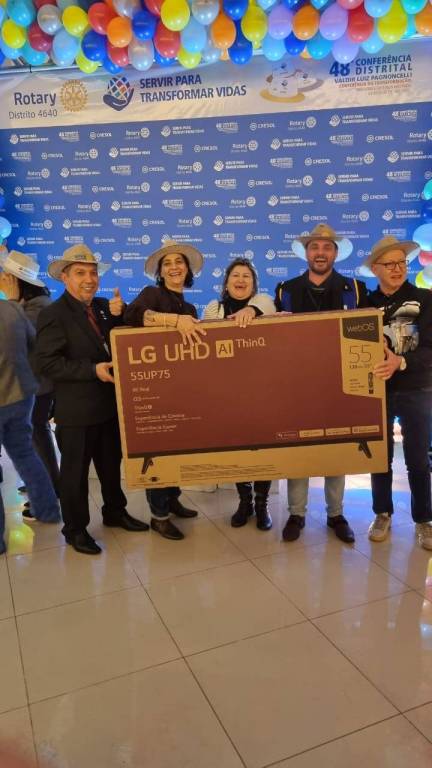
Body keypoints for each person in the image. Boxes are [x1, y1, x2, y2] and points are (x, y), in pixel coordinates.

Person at [34, 244, 148, 556]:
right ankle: (75, 529)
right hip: (76, 413)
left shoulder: (101, 306)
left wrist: (120, 316)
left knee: (111, 467)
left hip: (109, 408)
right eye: (80, 273)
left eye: (93, 273)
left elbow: (112, 344)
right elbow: (46, 363)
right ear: (65, 277)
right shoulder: (53, 314)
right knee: (75, 476)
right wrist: (91, 370)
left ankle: (115, 512)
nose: (89, 279)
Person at [275, 223, 368, 544]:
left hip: (340, 383)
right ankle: (296, 513)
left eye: (327, 247)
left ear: (335, 253)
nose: (320, 252)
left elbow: (367, 333)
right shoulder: (284, 290)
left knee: (336, 448)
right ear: (306, 252)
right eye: (314, 247)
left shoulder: (355, 289)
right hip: (296, 384)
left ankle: (336, 514)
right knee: (297, 447)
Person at [124, 241, 204, 540]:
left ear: (187, 269)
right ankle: (159, 516)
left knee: (177, 451)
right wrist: (173, 321)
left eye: (178, 262)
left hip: (179, 390)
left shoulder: (191, 307)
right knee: (157, 454)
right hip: (153, 390)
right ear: (160, 271)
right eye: (167, 263)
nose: (174, 267)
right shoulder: (152, 294)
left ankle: (172, 499)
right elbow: (132, 315)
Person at [365, 236, 432, 550]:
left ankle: (424, 519)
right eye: (389, 263)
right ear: (375, 269)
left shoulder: (425, 299)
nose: (397, 268)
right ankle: (382, 513)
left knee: (418, 459)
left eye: (401, 263)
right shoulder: (365, 304)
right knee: (380, 459)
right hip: (376, 391)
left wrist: (400, 361)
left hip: (417, 389)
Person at [203, 258, 276, 530]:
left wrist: (251, 310)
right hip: (228, 393)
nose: (241, 280)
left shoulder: (264, 303)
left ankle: (262, 504)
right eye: (235, 275)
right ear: (226, 282)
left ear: (254, 284)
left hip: (262, 392)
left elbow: (268, 304)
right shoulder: (214, 308)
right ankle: (245, 502)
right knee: (238, 449)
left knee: (263, 450)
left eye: (247, 276)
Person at [0, 250, 60, 520]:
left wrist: (12, 303)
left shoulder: (34, 307)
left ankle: (49, 493)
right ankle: (44, 499)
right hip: (24, 389)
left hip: (31, 388)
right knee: (27, 450)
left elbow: (19, 343)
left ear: (15, 281)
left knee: (36, 442)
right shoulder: (27, 306)